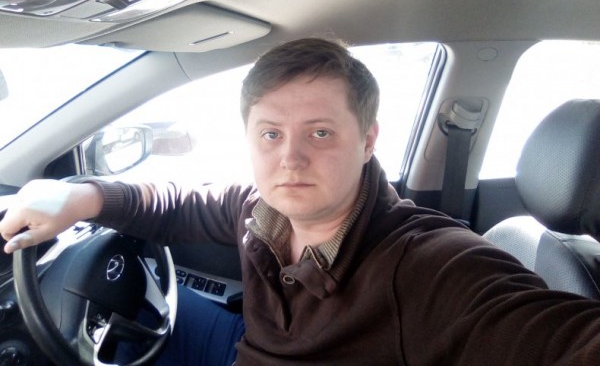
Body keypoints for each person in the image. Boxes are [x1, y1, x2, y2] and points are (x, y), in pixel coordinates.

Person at [1, 37, 600, 365]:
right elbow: (174, 203)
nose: (290, 159)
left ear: (367, 140)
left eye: (320, 133)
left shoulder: (432, 264)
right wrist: (77, 196)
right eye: (270, 134)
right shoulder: (259, 209)